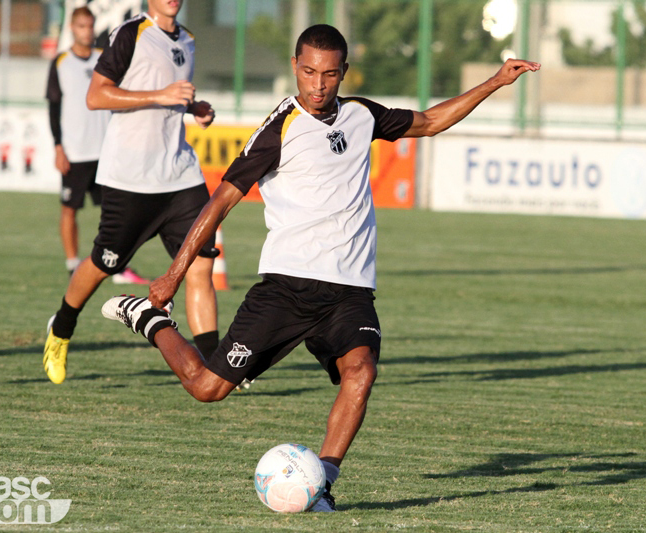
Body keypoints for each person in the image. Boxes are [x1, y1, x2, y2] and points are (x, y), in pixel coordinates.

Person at [101, 24, 540, 511]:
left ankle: (323, 483)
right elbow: (219, 204)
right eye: (308, 72)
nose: (317, 84)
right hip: (286, 288)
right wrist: (173, 274)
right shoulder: (278, 128)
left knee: (362, 372)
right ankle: (148, 319)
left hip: (350, 291)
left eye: (329, 74)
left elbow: (431, 121)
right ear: (295, 67)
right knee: (207, 389)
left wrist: (496, 82)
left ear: (343, 73)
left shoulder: (360, 115)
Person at [43, 0, 220, 385]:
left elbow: (172, 98)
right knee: (104, 263)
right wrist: (160, 94)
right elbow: (97, 96)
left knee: (201, 264)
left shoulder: (187, 39)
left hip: (180, 174)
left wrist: (194, 107)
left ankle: (215, 367)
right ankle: (61, 328)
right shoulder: (130, 34)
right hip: (130, 178)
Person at [45, 6, 150, 284]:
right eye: (81, 26)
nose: (86, 31)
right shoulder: (61, 62)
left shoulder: (105, 59)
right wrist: (58, 147)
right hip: (75, 152)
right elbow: (54, 108)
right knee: (69, 209)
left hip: (106, 151)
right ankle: (72, 264)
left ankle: (116, 265)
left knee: (115, 212)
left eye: (90, 26)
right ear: (72, 28)